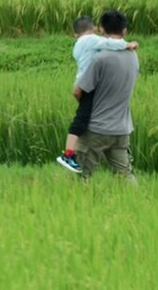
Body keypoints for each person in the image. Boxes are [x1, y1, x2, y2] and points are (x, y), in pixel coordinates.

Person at [56, 15, 138, 174]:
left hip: (97, 129)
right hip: (121, 129)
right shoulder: (133, 56)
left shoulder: (100, 57)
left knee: (78, 178)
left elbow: (79, 91)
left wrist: (82, 103)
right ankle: (139, 199)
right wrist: (129, 44)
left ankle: (68, 155)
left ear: (102, 30)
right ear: (125, 31)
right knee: (125, 176)